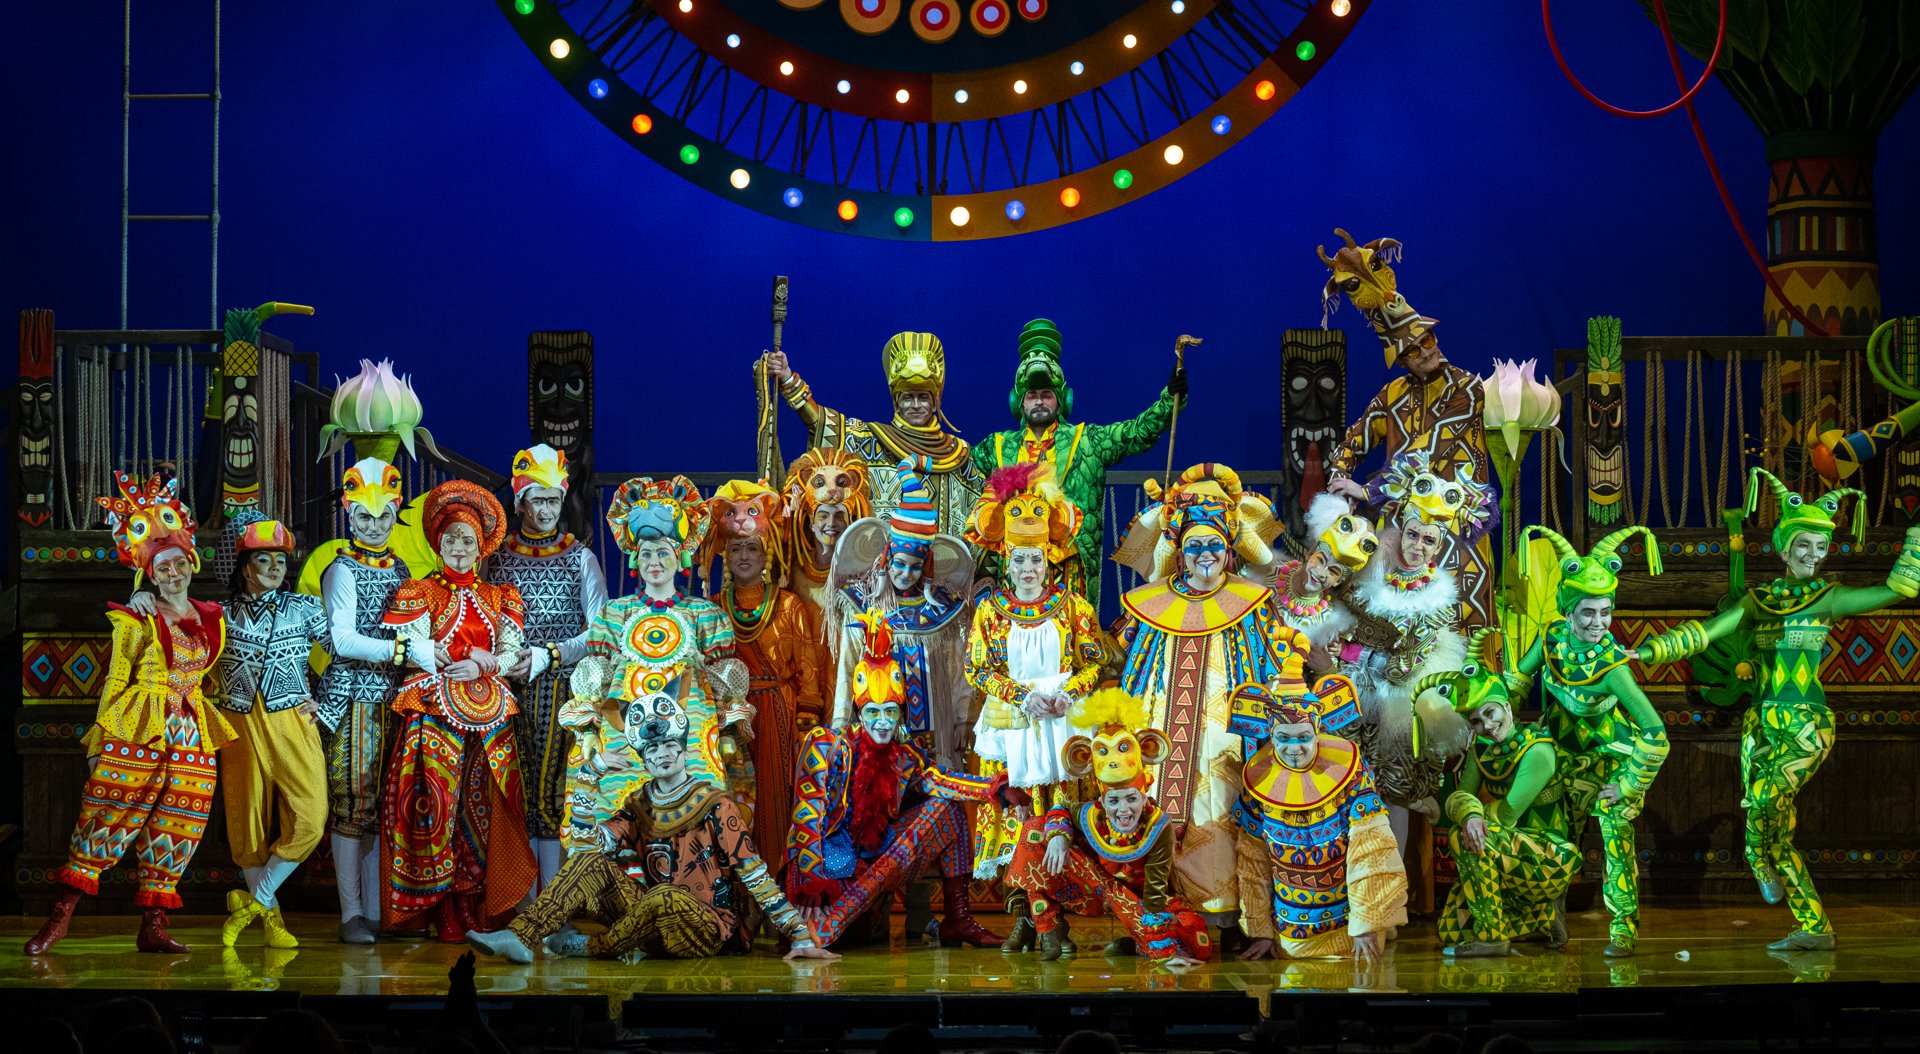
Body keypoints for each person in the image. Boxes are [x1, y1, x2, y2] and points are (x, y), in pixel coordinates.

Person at [1638, 469, 1920, 951]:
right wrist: (1648, 652)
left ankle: (1757, 861)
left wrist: (1914, 541)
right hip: (1760, 724)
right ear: (1784, 551)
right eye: (1803, 546)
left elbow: (1897, 591)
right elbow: (1707, 633)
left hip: (1807, 725)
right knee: (1775, 832)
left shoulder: (1828, 598)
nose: (1813, 555)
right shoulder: (1759, 602)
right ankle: (1814, 926)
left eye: (1820, 547)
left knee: (1764, 802)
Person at [26, 472, 233, 955]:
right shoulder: (135, 617)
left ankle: (153, 927)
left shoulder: (211, 617)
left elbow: (211, 677)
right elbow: (115, 681)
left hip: (191, 732)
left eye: (179, 564)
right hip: (141, 724)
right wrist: (99, 741)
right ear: (150, 574)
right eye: (163, 568)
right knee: (107, 815)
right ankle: (59, 919)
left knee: (179, 824)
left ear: (191, 562)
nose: (173, 573)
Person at [467, 693, 832, 962]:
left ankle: (594, 947)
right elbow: (584, 848)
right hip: (648, 920)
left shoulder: (716, 804)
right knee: (593, 864)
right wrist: (590, 775)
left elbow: (755, 875)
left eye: (669, 745)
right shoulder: (638, 804)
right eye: (653, 750)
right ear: (644, 759)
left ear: (683, 750)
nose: (662, 754)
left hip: (705, 928)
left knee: (664, 895)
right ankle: (521, 936)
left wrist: (800, 935)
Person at [1110, 463, 1293, 926]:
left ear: (1228, 549)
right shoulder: (1152, 602)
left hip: (1224, 731)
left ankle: (1221, 917)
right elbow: (1127, 662)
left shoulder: (1251, 601)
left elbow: (1273, 664)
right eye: (1194, 546)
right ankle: (1154, 916)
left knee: (1220, 804)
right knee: (1154, 801)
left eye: (1213, 544)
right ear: (1180, 551)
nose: (1204, 554)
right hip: (1160, 728)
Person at [786, 611, 1013, 948]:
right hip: (825, 876)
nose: (882, 722)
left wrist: (995, 788)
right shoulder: (826, 745)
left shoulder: (905, 755)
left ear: (900, 715)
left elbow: (940, 780)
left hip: (874, 863)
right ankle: (827, 927)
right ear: (859, 714)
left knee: (946, 808)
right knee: (818, 934)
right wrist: (812, 880)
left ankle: (959, 921)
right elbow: (806, 818)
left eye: (890, 712)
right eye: (873, 713)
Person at [380, 480, 537, 942]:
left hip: (489, 718)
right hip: (433, 713)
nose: (459, 548)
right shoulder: (419, 592)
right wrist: (458, 658)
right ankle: (442, 906)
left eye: (468, 540)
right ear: (438, 542)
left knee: (481, 810)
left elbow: (512, 652)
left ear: (481, 546)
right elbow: (411, 649)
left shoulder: (500, 596)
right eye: (451, 539)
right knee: (437, 809)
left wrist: (487, 663)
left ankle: (473, 903)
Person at [561, 476, 752, 851]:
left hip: (690, 735)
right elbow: (594, 676)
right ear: (636, 559)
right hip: (624, 730)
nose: (655, 562)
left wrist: (728, 735)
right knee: (617, 800)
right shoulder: (615, 613)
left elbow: (726, 679)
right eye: (646, 554)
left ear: (680, 557)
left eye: (663, 552)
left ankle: (693, 875)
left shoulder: (704, 614)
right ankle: (621, 876)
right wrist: (588, 732)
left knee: (695, 806)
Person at [1318, 229, 1495, 629]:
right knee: (1394, 622)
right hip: (1400, 529)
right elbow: (1350, 444)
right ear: (1400, 360)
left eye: (1427, 339)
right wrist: (1339, 491)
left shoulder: (1467, 388)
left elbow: (1428, 450)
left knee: (1463, 618)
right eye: (1413, 349)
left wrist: (1369, 491)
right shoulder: (1391, 395)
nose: (1425, 350)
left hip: (1455, 525)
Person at [1509, 525, 1669, 958]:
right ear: (1568, 610)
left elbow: (1656, 733)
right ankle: (1546, 923)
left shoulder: (1613, 666)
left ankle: (1623, 929)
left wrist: (1630, 784)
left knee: (1616, 840)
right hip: (1556, 759)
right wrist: (1494, 715)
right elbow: (1517, 683)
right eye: (1587, 613)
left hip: (1605, 764)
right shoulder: (1549, 638)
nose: (1598, 623)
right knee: (1547, 838)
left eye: (1605, 612)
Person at [962, 462, 1105, 924]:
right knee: (1016, 815)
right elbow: (975, 668)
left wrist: (1069, 693)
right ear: (1007, 560)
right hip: (1012, 726)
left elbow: (1094, 663)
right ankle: (1022, 914)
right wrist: (1021, 695)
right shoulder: (990, 611)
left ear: (1048, 560)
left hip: (1061, 724)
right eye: (1019, 560)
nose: (1028, 569)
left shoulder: (1073, 607)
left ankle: (1054, 913)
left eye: (1035, 560)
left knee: (1060, 818)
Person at [971, 319, 1186, 606]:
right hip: (1016, 566)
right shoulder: (997, 446)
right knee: (1017, 629)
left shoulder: (1087, 441)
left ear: (1062, 400)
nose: (1039, 401)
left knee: (1072, 631)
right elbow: (960, 468)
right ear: (1018, 402)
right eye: (1031, 395)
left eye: (1046, 395)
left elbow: (1136, 433)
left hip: (1070, 569)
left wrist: (1170, 399)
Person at [1333, 450, 1483, 850]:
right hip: (1350, 684)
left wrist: (1363, 655)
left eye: (1428, 540)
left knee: (1393, 789)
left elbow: (1406, 664)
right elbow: (1335, 602)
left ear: (1439, 546)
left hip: (1396, 695)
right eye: (1413, 534)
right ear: (1402, 529)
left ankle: (1393, 876)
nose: (1417, 545)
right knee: (1341, 776)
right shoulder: (1370, 565)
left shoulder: (1436, 597)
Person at [1004, 688, 1211, 964]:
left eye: (1131, 799)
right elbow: (1061, 808)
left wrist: (1156, 939)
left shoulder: (1158, 826)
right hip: (1095, 888)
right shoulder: (1092, 814)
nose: (1123, 810)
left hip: (1139, 900)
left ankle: (1136, 941)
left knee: (1193, 942)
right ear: (1102, 798)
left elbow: (1155, 892)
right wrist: (1058, 836)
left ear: (1143, 795)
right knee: (1035, 830)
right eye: (1114, 800)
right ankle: (1047, 925)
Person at [203, 517, 330, 949]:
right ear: (244, 567)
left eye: (280, 560)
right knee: (247, 825)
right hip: (238, 723)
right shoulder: (218, 616)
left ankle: (253, 901)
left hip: (292, 721)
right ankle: (272, 921)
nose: (275, 568)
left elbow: (342, 654)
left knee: (311, 817)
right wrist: (141, 594)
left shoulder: (304, 608)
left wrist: (327, 703)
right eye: (264, 560)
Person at [490, 443, 608, 890]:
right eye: (536, 500)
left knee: (550, 792)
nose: (545, 510)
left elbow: (599, 633)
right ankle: (518, 895)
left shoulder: (580, 558)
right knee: (509, 792)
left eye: (553, 500)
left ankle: (550, 904)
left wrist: (549, 655)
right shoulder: (496, 558)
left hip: (558, 688)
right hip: (504, 689)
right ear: (520, 502)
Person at [308, 457, 413, 944]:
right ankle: (351, 912)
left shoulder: (402, 568)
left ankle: (374, 910)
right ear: (350, 516)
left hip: (393, 698)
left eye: (383, 516)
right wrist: (401, 651)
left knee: (383, 804)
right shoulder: (341, 569)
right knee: (354, 801)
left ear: (395, 514)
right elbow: (343, 639)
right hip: (352, 698)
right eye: (364, 517)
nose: (374, 526)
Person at [1425, 630, 1579, 958]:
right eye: (1476, 722)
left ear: (1507, 706)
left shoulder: (1538, 750)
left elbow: (1507, 815)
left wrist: (1471, 817)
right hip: (1503, 854)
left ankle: (1493, 938)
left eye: (1490, 713)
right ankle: (1542, 918)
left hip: (1550, 858)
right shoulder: (1482, 750)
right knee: (1450, 932)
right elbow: (1456, 798)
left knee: (1460, 836)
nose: (1486, 726)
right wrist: (1470, 813)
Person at [705, 478, 830, 869]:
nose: (744, 556)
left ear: (766, 556)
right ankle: (737, 888)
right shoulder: (713, 608)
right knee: (732, 801)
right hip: (730, 720)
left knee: (778, 800)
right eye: (736, 548)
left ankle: (777, 882)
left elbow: (807, 668)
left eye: (752, 549)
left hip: (777, 715)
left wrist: (806, 723)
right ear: (726, 556)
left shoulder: (789, 605)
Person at [1234, 680, 1407, 962]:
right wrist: (1260, 931)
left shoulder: (1350, 773)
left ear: (1317, 733)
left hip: (1352, 936)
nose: (1294, 748)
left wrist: (1366, 924)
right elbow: (1253, 863)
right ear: (1272, 737)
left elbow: (1371, 851)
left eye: (1303, 737)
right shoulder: (1257, 781)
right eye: (1284, 738)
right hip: (1291, 941)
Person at [829, 458, 975, 767]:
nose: (906, 573)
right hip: (878, 729)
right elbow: (848, 666)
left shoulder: (941, 610)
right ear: (887, 558)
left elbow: (956, 670)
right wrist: (840, 723)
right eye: (900, 563)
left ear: (926, 567)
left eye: (915, 566)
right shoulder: (863, 604)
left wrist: (962, 718)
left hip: (934, 728)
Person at [767, 331, 983, 537]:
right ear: (896, 403)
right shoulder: (870, 440)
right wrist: (787, 378)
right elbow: (822, 422)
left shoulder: (958, 455)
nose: (916, 405)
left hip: (944, 561)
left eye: (923, 397)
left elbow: (983, 514)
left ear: (935, 403)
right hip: (880, 559)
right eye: (908, 397)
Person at [782, 446, 873, 650]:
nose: (831, 523)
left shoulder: (864, 574)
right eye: (823, 516)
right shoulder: (793, 572)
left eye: (840, 516)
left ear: (850, 522)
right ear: (811, 523)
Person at [1282, 495, 1380, 672]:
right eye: (1320, 560)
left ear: (1339, 581)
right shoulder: (1268, 572)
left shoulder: (1330, 623)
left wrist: (1327, 669)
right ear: (1310, 552)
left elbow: (1326, 682)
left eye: (1333, 571)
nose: (1321, 573)